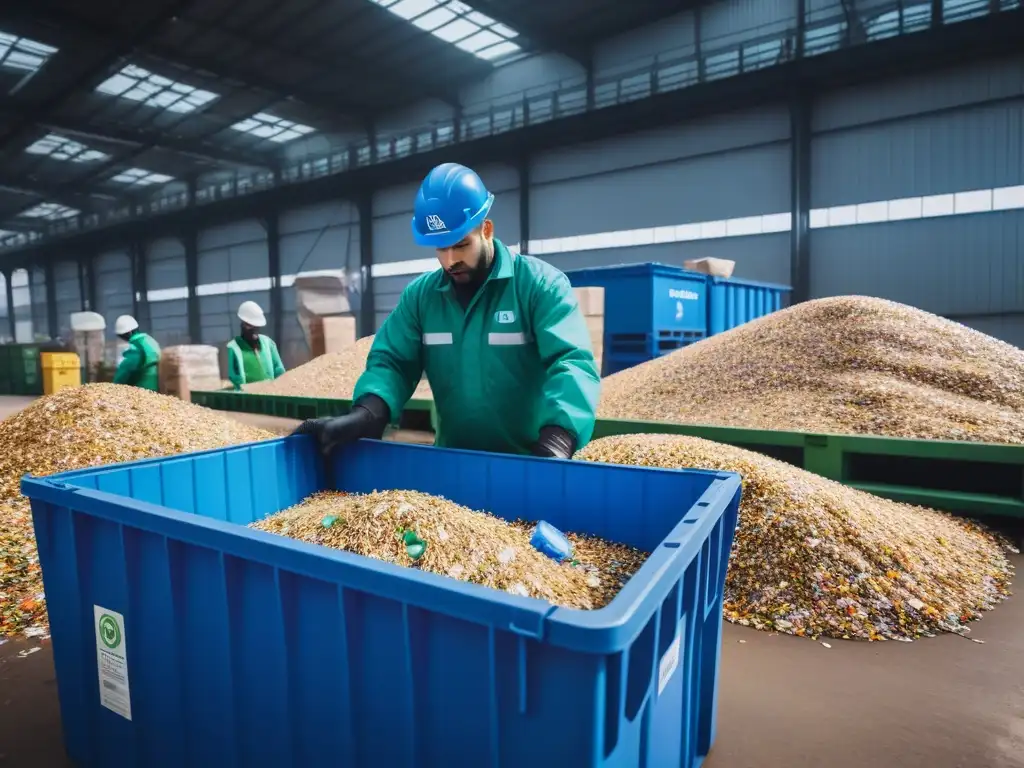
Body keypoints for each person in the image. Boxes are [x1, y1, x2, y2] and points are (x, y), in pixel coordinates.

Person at [295, 162, 601, 459]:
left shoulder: (539, 286)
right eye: (441, 248)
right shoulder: (421, 297)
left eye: (461, 244)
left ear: (487, 229)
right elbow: (393, 362)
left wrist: (558, 440)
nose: (450, 260)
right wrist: (369, 412)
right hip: (453, 464)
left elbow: (570, 362)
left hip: (527, 462)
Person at [227, 300, 285, 391]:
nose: (254, 330)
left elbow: (279, 369)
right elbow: (233, 377)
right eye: (250, 326)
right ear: (243, 324)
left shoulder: (268, 343)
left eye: (256, 326)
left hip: (271, 395)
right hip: (248, 398)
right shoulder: (233, 348)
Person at [111, 315, 161, 391]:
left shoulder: (136, 349)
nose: (123, 339)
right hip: (157, 390)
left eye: (122, 336)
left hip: (143, 392)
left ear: (129, 333)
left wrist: (113, 388)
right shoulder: (150, 341)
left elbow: (124, 373)